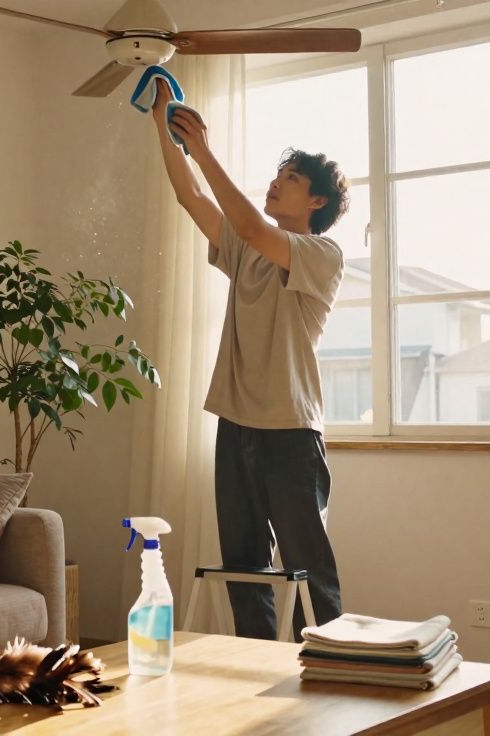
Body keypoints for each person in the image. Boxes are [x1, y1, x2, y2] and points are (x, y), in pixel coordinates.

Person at [150, 79, 349, 640]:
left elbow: (253, 227)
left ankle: (337, 671)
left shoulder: (320, 255)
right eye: (278, 174)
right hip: (236, 425)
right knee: (243, 566)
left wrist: (204, 149)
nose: (275, 182)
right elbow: (193, 197)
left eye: (290, 180)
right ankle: (257, 667)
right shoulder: (247, 252)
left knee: (308, 570)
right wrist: (164, 125)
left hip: (289, 428)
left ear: (316, 201)